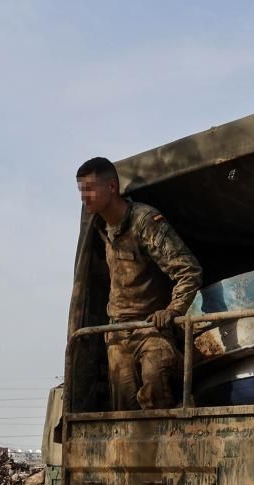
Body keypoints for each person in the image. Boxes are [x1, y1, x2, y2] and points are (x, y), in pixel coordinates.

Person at [76, 156, 202, 410]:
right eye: (81, 191)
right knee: (125, 412)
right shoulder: (100, 229)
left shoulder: (143, 221)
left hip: (151, 329)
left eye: (89, 189)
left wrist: (173, 310)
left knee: (156, 382)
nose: (84, 197)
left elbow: (188, 270)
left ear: (112, 187)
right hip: (117, 335)